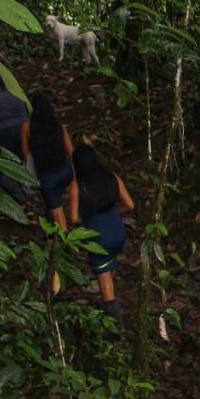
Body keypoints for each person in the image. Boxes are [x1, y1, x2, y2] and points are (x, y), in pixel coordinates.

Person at [70, 141, 134, 333]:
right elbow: (130, 205)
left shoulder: (77, 186)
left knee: (106, 287)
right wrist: (113, 214)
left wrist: (89, 218)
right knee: (109, 266)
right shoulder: (111, 177)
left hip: (98, 238)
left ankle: (116, 331)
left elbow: (73, 218)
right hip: (118, 232)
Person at [20, 92, 76, 230]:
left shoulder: (26, 127)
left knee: (56, 210)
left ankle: (65, 242)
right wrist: (74, 176)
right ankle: (53, 228)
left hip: (47, 177)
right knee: (53, 203)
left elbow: (25, 154)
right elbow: (72, 152)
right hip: (65, 171)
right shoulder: (59, 128)